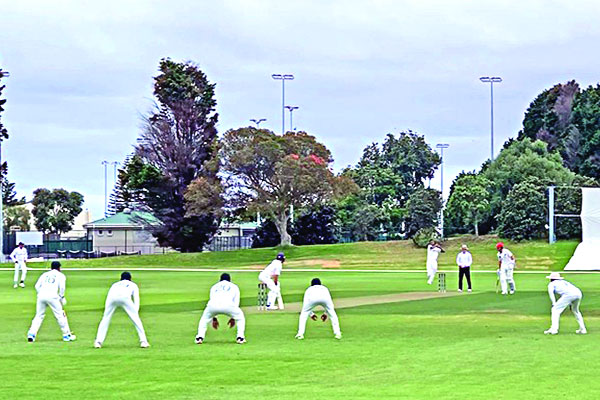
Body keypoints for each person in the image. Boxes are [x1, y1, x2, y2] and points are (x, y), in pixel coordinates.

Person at [94, 272, 149, 348]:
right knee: (136, 320)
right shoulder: (133, 285)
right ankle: (143, 341)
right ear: (130, 278)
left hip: (112, 298)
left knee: (105, 319)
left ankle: (98, 342)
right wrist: (135, 312)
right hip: (125, 298)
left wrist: (106, 311)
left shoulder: (115, 284)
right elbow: (136, 299)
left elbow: (109, 296)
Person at [27, 261, 76, 342]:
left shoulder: (44, 274)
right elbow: (62, 288)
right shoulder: (61, 275)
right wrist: (62, 297)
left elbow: (36, 286)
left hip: (41, 296)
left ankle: (31, 334)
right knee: (60, 315)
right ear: (59, 268)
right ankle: (66, 335)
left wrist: (41, 293)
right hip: (53, 297)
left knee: (39, 316)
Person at [196, 273, 246, 344]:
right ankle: (240, 337)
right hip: (228, 305)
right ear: (230, 280)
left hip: (212, 305)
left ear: (220, 279)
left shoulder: (214, 286)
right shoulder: (234, 286)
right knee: (240, 318)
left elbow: (212, 298)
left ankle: (199, 337)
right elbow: (236, 302)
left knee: (204, 319)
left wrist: (214, 318)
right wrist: (233, 317)